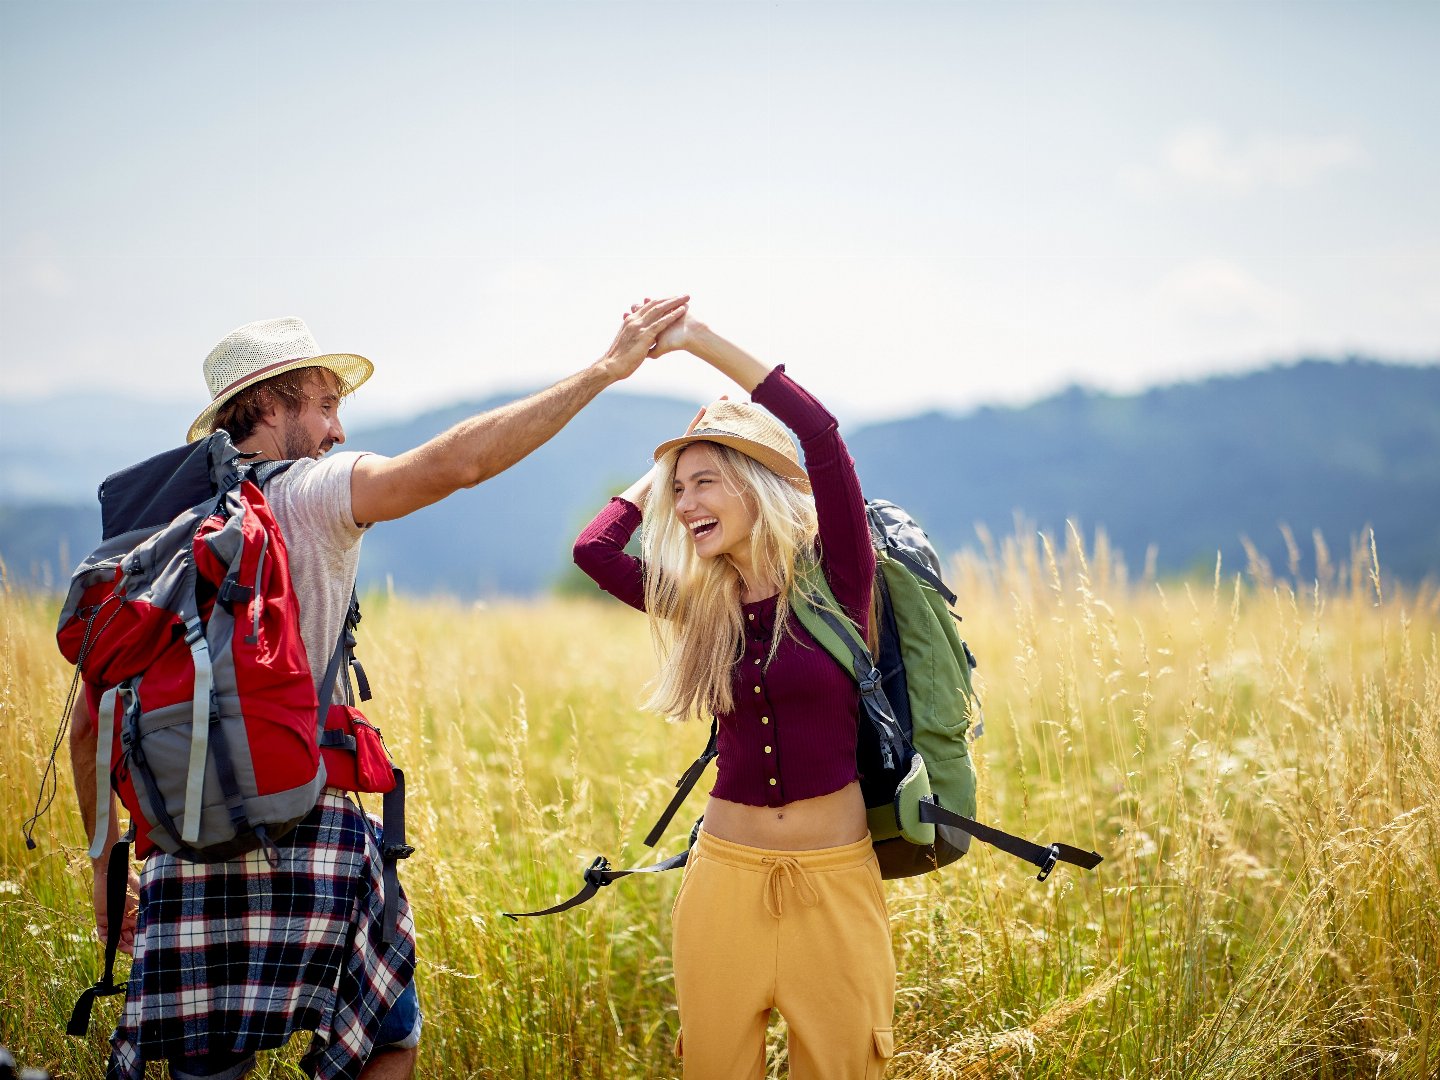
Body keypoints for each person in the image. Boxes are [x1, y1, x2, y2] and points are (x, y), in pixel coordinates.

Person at [69, 298, 688, 1080]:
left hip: (177, 843)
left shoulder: (159, 535)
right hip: (307, 820)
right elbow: (458, 466)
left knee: (203, 1068)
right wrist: (605, 370)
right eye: (325, 405)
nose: (337, 430)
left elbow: (92, 721)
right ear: (267, 405)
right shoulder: (315, 492)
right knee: (390, 1038)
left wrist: (105, 869)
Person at [573, 309, 895, 1079]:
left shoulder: (840, 583)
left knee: (849, 1067)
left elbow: (821, 440)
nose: (684, 508)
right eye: (677, 493)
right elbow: (594, 549)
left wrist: (701, 344)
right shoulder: (702, 606)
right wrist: (671, 465)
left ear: (755, 485)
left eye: (705, 483)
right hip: (723, 882)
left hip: (835, 883)